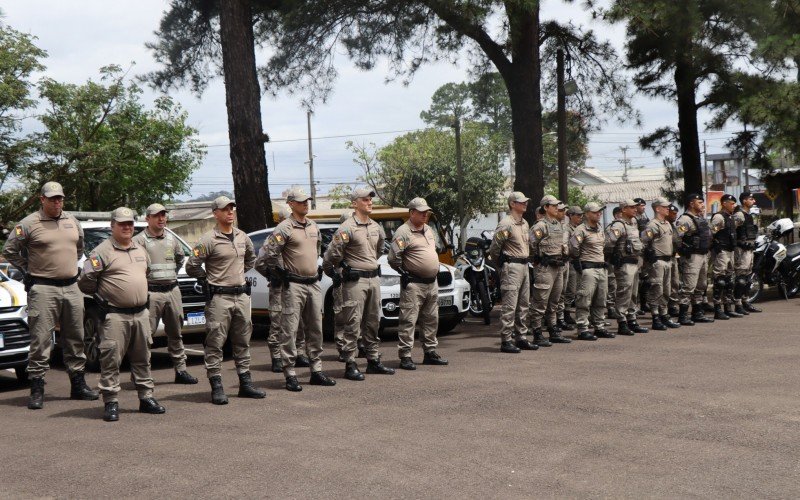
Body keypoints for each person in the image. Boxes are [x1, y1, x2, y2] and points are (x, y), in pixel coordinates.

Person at [2, 181, 97, 410]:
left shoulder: (72, 221)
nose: (57, 202)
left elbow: (79, 248)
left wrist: (66, 265)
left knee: (75, 337)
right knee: (41, 339)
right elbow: (9, 251)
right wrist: (29, 268)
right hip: (43, 288)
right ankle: (37, 388)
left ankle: (78, 385)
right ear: (41, 199)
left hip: (72, 286)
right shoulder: (28, 224)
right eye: (52, 198)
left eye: (60, 198)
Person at [78, 207, 165, 422]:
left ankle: (146, 398)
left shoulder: (140, 249)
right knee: (111, 359)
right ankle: (111, 402)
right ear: (112, 226)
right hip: (115, 315)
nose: (127, 227)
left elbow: (145, 274)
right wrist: (102, 298)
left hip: (141, 314)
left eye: (130, 224)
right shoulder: (102, 251)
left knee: (143, 358)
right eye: (122, 224)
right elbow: (85, 282)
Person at [185, 196, 265, 404]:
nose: (230, 212)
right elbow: (191, 265)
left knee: (243, 340)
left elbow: (250, 260)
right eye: (225, 209)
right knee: (215, 342)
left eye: (232, 208)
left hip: (241, 295)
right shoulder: (207, 239)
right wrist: (208, 279)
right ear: (215, 213)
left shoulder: (242, 237)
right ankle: (217, 386)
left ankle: (245, 383)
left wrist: (236, 274)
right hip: (220, 297)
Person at [257, 188, 336, 392]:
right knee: (290, 330)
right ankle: (290, 373)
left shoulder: (312, 225)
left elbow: (316, 250)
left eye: (307, 201)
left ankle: (316, 370)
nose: (305, 204)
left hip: (313, 283)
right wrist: (277, 274)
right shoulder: (284, 228)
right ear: (291, 204)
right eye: (301, 201)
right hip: (293, 285)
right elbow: (267, 255)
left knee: (316, 329)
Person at [323, 187, 392, 380]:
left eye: (371, 199)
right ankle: (350, 363)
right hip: (355, 281)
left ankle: (373, 360)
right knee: (352, 322)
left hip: (373, 278)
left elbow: (378, 251)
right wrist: (339, 270)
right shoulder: (346, 228)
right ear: (354, 203)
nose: (370, 202)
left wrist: (366, 263)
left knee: (373, 322)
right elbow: (332, 254)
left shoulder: (376, 227)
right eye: (365, 199)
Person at [132, 203, 197, 384]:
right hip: (151, 293)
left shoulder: (171, 238)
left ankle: (181, 371)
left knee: (176, 333)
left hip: (172, 291)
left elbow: (180, 258)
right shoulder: (139, 241)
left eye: (163, 215)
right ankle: (141, 374)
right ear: (147, 219)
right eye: (157, 216)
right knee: (146, 335)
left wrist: (170, 276)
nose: (161, 219)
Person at [388, 197, 449, 369]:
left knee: (431, 319)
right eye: (421, 212)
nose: (425, 215)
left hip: (431, 283)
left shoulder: (428, 229)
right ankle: (405, 355)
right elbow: (393, 258)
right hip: (414, 283)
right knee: (408, 320)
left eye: (426, 212)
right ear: (412, 212)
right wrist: (404, 272)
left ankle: (430, 352)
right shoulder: (403, 232)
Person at [487, 192, 538, 353]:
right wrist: (501, 263)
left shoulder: (524, 223)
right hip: (512, 266)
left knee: (524, 304)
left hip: (524, 265)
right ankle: (506, 340)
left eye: (525, 201)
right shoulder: (506, 224)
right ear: (512, 204)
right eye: (521, 202)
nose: (525, 204)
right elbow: (495, 247)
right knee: (510, 305)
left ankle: (521, 337)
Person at [263, 207, 310, 373]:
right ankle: (276, 357)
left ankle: (300, 353)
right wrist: (273, 274)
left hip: (294, 285)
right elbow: (260, 261)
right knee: (277, 322)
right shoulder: (273, 239)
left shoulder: (294, 237)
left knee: (299, 322)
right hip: (278, 288)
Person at [529, 195, 571, 346]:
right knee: (540, 301)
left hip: (558, 267)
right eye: (553, 206)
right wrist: (538, 259)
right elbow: (531, 244)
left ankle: (553, 330)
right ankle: (537, 333)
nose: (556, 208)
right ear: (546, 207)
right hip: (545, 268)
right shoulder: (541, 225)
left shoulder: (558, 224)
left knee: (554, 301)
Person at [605, 199, 648, 336]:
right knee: (624, 292)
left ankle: (632, 319)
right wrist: (613, 258)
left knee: (633, 293)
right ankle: (622, 321)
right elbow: (609, 243)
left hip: (635, 262)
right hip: (624, 263)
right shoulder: (619, 225)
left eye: (636, 207)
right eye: (631, 207)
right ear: (623, 209)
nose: (635, 209)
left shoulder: (633, 222)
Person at [569, 202, 609, 341]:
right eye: (595, 212)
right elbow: (574, 248)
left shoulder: (599, 228)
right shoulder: (581, 230)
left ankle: (599, 326)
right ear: (587, 214)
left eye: (600, 211)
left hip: (601, 268)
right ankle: (583, 328)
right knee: (584, 300)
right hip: (589, 268)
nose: (599, 213)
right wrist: (580, 262)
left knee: (601, 299)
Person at [640, 198, 681, 331]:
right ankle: (655, 317)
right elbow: (643, 242)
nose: (668, 208)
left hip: (668, 260)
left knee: (666, 290)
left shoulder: (667, 224)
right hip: (657, 261)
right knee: (656, 289)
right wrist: (647, 258)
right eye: (665, 207)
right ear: (657, 208)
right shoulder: (653, 225)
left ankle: (664, 315)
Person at [675, 193, 714, 324]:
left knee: (701, 285)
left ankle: (697, 313)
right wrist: (682, 251)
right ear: (691, 203)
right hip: (692, 256)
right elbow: (676, 237)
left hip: (703, 255)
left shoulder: (700, 218)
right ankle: (683, 315)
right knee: (689, 286)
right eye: (699, 202)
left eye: (703, 202)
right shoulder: (685, 219)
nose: (702, 205)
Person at [710, 194, 740, 320]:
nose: (733, 205)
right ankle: (718, 309)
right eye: (731, 203)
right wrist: (715, 247)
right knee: (720, 280)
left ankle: (728, 307)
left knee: (729, 280)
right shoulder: (719, 217)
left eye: (734, 203)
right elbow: (711, 232)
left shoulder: (730, 217)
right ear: (724, 203)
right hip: (721, 251)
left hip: (730, 250)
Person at [732, 191, 762, 315]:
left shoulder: (748, 215)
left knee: (747, 277)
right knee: (741, 278)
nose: (753, 201)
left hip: (749, 249)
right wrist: (739, 243)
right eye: (751, 199)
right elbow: (731, 232)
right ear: (744, 200)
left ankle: (745, 301)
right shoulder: (739, 215)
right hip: (742, 250)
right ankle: (738, 304)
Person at [560, 206, 584, 328]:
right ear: (570, 216)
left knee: (576, 289)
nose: (580, 217)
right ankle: (565, 313)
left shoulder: (579, 228)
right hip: (570, 261)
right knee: (570, 289)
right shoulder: (567, 229)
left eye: (581, 215)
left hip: (578, 260)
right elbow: (565, 245)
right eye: (578, 215)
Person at [666, 204, 688, 324]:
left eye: (676, 214)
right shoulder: (663, 225)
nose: (675, 216)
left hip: (674, 256)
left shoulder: (675, 226)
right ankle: (663, 308)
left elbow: (681, 235)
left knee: (675, 282)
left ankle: (672, 306)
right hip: (665, 257)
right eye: (672, 214)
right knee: (665, 284)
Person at [633, 198, 650, 314]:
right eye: (641, 206)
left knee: (646, 278)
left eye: (644, 205)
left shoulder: (645, 218)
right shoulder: (633, 219)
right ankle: (635, 305)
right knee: (636, 279)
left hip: (646, 251)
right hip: (638, 252)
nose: (643, 207)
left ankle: (644, 303)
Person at [605, 207, 622, 321]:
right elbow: (608, 244)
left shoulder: (626, 226)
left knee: (620, 284)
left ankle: (617, 307)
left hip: (620, 260)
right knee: (612, 283)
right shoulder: (612, 227)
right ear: (616, 215)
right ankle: (610, 308)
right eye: (621, 214)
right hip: (611, 260)